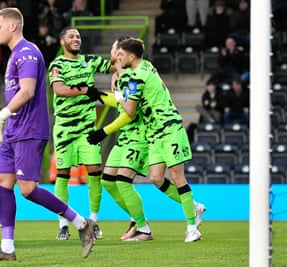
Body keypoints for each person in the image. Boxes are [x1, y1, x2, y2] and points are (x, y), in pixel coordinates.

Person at [0, 8, 94, 261]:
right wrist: (4, 121)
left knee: (28, 189)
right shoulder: (13, 56)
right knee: (2, 183)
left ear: (12, 26)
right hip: (14, 131)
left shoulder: (27, 53)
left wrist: (1, 115)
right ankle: (7, 248)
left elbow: (28, 91)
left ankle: (82, 223)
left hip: (29, 130)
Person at [92, 38, 204, 242]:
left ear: (131, 57)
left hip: (168, 128)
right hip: (154, 133)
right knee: (156, 178)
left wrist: (116, 95)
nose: (118, 57)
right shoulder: (146, 67)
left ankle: (191, 228)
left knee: (177, 175)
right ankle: (194, 206)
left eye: (121, 55)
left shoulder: (136, 78)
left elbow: (130, 110)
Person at [48, 26, 115, 241]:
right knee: (63, 174)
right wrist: (86, 90)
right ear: (62, 42)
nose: (76, 39)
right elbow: (59, 90)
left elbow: (115, 66)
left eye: (78, 36)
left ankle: (93, 220)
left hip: (87, 128)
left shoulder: (91, 61)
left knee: (95, 171)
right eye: (71, 36)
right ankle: (63, 224)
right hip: (65, 130)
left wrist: (119, 52)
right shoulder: (57, 65)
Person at [88, 36, 154, 242]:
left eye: (115, 49)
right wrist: (97, 95)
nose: (112, 53)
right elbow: (119, 104)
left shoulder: (128, 76)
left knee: (123, 180)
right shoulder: (118, 75)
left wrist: (104, 132)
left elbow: (129, 112)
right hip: (124, 136)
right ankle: (137, 219)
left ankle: (143, 227)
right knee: (108, 181)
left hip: (137, 134)